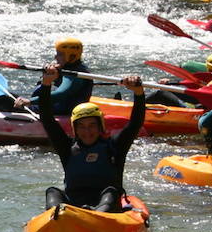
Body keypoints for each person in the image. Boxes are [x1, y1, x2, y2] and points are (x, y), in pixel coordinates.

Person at [38, 68, 146, 213]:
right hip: (73, 210)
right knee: (52, 191)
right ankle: (57, 219)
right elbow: (47, 119)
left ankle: (96, 216)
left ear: (100, 126)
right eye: (81, 126)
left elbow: (135, 124)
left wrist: (138, 93)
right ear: (75, 129)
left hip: (106, 209)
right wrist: (46, 83)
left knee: (111, 192)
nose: (87, 132)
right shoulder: (67, 148)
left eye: (92, 126)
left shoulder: (114, 146)